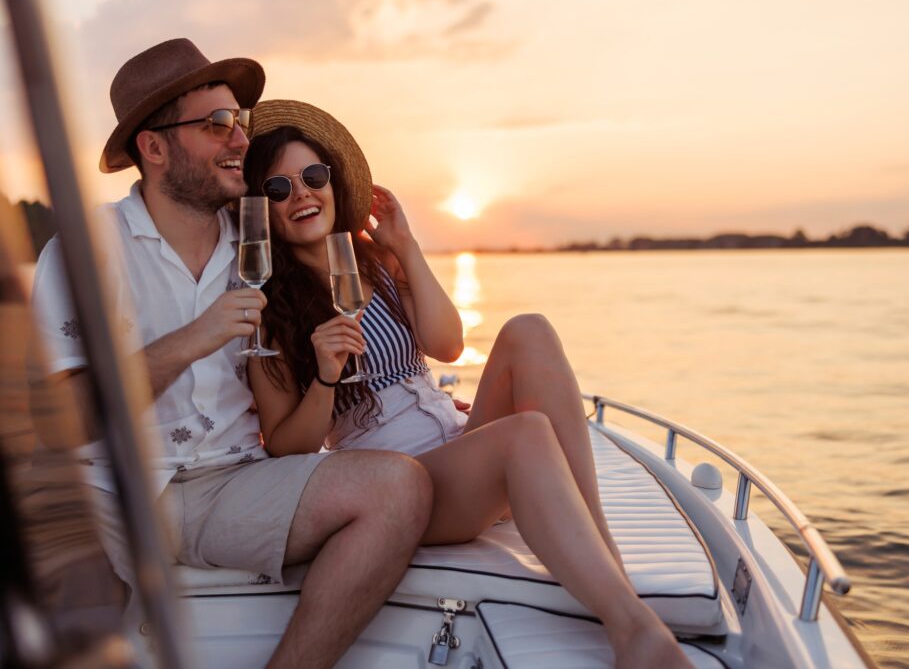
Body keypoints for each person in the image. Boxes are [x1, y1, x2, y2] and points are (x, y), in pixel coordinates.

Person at [242, 99, 694, 669]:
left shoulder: (375, 265)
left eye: (313, 176)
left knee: (529, 330)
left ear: (333, 184)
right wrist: (326, 375)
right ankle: (635, 632)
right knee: (527, 433)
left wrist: (406, 247)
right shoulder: (269, 311)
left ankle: (612, 573)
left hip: (459, 447)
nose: (302, 194)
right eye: (279, 188)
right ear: (263, 210)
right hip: (406, 484)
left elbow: (448, 344)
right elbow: (287, 446)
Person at [31, 39, 432, 669]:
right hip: (113, 494)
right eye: (217, 124)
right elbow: (61, 422)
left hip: (235, 483)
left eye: (239, 121)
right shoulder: (87, 250)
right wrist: (193, 339)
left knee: (399, 488)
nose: (240, 138)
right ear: (154, 147)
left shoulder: (258, 242)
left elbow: (347, 310)